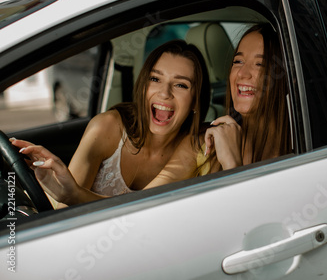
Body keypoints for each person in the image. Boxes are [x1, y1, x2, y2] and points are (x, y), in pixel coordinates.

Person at [11, 39, 210, 206]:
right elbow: (65, 212)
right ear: (143, 87)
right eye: (155, 79)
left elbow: (144, 209)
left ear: (196, 100)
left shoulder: (197, 146)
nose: (164, 93)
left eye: (181, 85)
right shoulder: (107, 127)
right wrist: (69, 194)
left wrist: (75, 196)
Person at [203, 23, 292, 170]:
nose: (242, 73)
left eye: (260, 64)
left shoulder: (302, 154)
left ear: (285, 77)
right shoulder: (209, 143)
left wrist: (232, 166)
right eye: (238, 61)